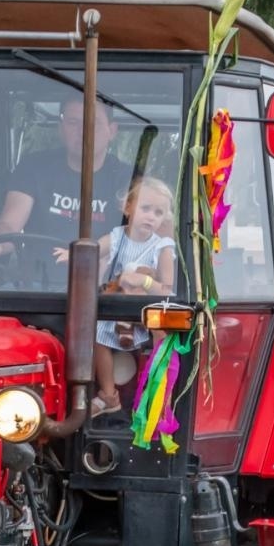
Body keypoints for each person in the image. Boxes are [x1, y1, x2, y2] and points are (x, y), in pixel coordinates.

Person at [56, 177, 177, 415]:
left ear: (164, 218)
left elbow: (168, 291)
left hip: (144, 315)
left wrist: (144, 281)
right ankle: (109, 397)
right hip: (117, 308)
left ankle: (158, 398)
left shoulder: (162, 247)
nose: (151, 216)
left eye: (158, 212)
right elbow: (92, 250)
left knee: (164, 338)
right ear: (127, 208)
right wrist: (73, 255)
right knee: (97, 334)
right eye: (145, 208)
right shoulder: (116, 237)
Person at [0, 96, 133, 271]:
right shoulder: (33, 168)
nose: (83, 131)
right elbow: (10, 224)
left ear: (112, 130)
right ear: (61, 128)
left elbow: (137, 236)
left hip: (103, 288)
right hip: (36, 286)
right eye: (73, 122)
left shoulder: (130, 179)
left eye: (92, 123)